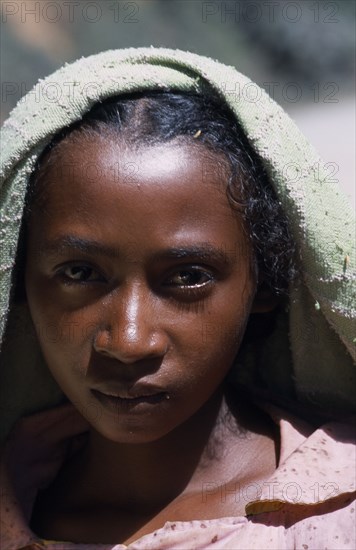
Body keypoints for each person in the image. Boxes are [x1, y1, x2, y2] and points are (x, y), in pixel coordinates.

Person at [0, 47, 355, 549]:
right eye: (80, 272)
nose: (128, 341)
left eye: (189, 276)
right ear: (16, 283)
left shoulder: (333, 517)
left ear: (267, 283)